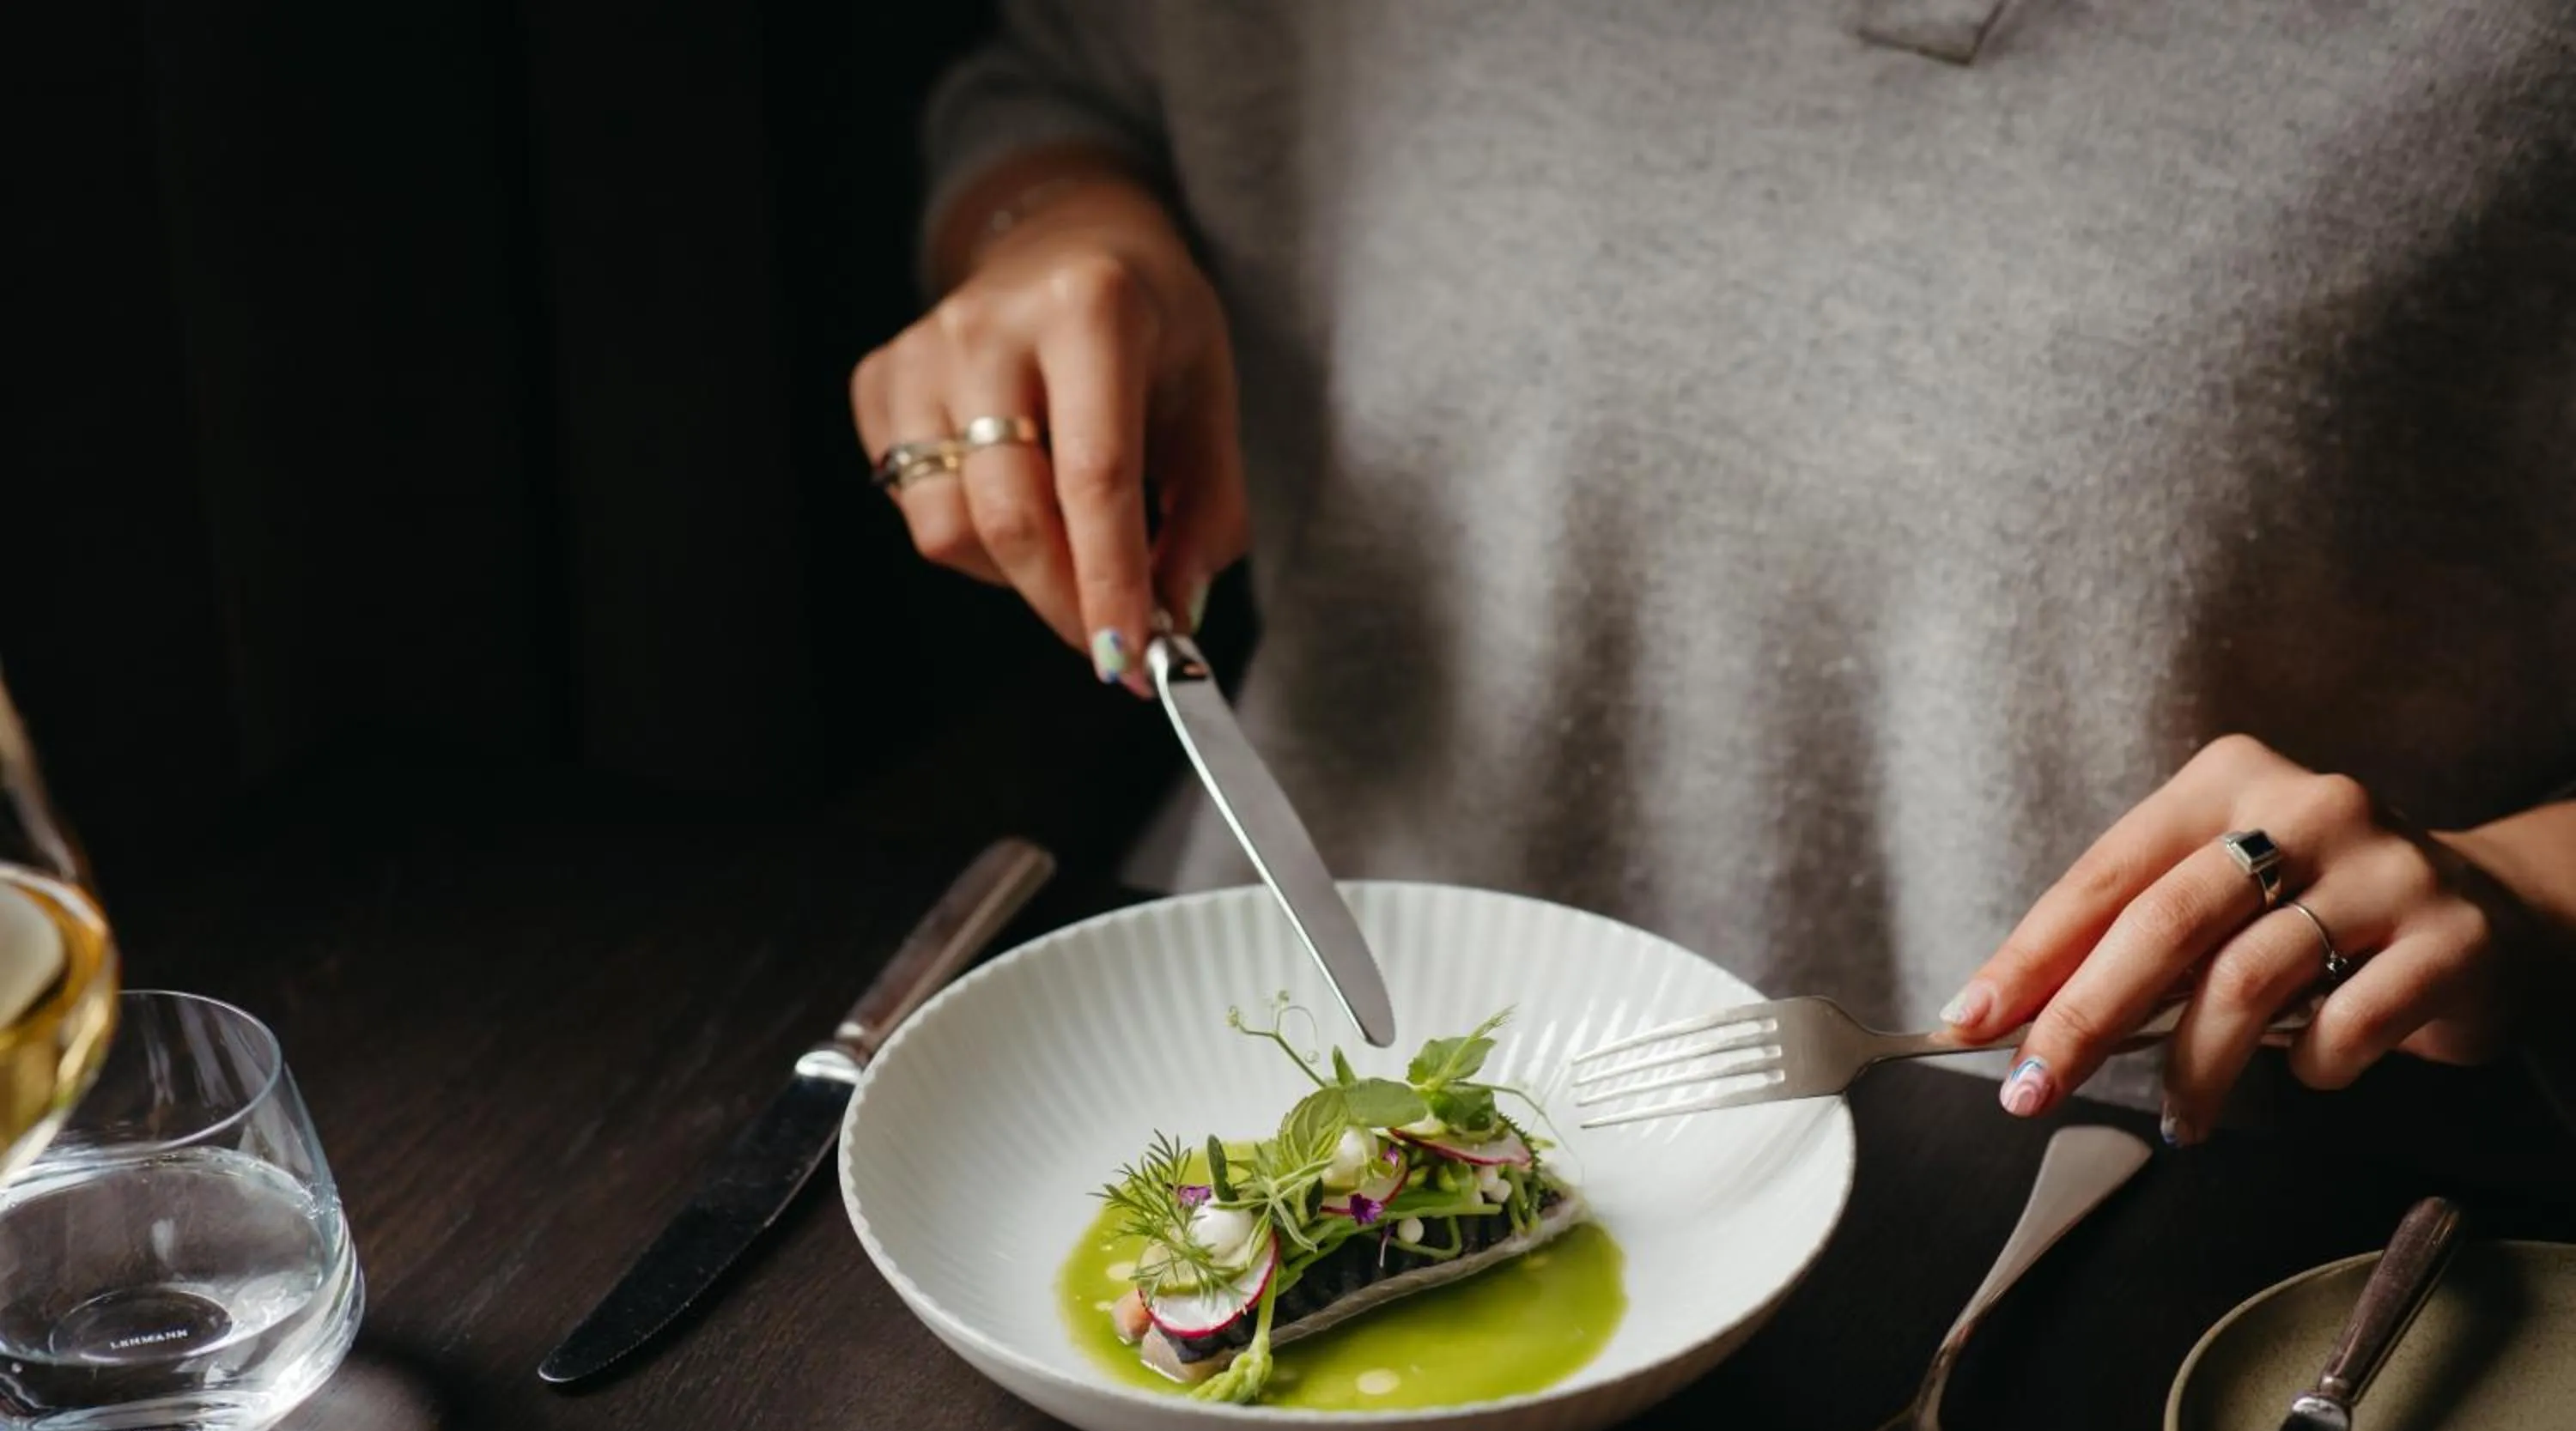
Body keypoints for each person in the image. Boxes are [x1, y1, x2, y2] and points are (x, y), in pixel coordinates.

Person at [854, 3, 2576, 1143]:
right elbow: (1052, 85)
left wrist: (2517, 885)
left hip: (2094, 1284)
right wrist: (1058, 239)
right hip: (1222, 1112)